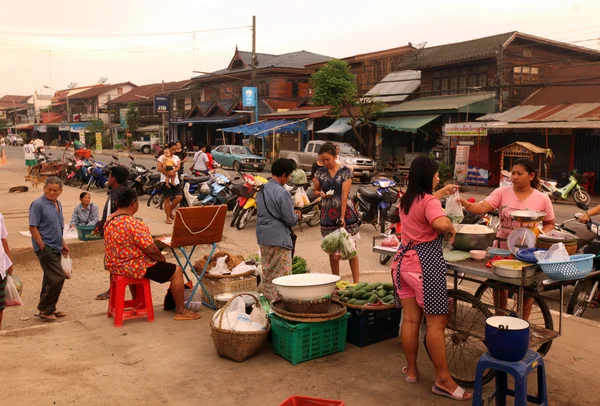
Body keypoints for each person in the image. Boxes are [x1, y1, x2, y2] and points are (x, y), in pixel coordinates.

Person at [391, 155, 471, 401]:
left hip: (402, 264)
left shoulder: (408, 198)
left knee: (411, 321)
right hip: (424, 266)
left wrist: (442, 192)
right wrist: (450, 226)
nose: (438, 177)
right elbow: (438, 221)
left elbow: (426, 203)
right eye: (436, 174)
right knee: (437, 324)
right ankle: (443, 380)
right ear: (429, 176)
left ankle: (412, 371)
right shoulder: (429, 202)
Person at [460, 158, 556, 318]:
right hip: (502, 246)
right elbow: (483, 207)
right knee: (500, 286)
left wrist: (541, 234)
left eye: (520, 173)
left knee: (526, 290)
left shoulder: (542, 198)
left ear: (531, 176)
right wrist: (467, 204)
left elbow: (550, 223)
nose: (514, 177)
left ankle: (522, 323)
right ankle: (500, 319)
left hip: (528, 251)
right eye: (513, 173)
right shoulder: (501, 192)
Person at [103, 188, 201, 321]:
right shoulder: (134, 224)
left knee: (141, 266)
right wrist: (162, 260)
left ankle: (138, 304)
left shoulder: (110, 219)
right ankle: (181, 310)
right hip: (134, 266)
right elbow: (152, 250)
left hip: (115, 266)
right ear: (134, 203)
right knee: (177, 271)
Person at [312, 143, 361, 282]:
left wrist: (342, 217)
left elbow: (344, 196)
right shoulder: (320, 173)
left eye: (328, 159)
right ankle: (336, 281)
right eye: (323, 160)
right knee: (332, 248)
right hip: (327, 215)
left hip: (346, 214)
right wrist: (320, 193)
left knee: (351, 248)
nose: (325, 162)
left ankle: (356, 282)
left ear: (335, 156)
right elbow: (315, 190)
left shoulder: (345, 172)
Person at [256, 159, 300, 301]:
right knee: (282, 278)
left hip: (264, 237)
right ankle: (280, 308)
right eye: (288, 176)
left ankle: (270, 305)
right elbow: (290, 219)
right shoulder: (283, 193)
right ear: (283, 175)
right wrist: (297, 216)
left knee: (268, 274)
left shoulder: (261, 189)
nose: (288, 179)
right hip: (279, 238)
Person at [29, 176, 69, 322]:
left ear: (60, 191)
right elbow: (33, 227)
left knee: (49, 278)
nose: (52, 193)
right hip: (46, 247)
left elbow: (58, 226)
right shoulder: (38, 204)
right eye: (49, 190)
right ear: (44, 188)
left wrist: (63, 242)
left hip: (57, 246)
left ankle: (46, 308)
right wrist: (42, 246)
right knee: (58, 277)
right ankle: (46, 310)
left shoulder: (57, 204)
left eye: (55, 190)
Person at [95, 166, 129, 300]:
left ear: (113, 178)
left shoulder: (117, 195)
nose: (108, 178)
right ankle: (113, 288)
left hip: (116, 234)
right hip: (114, 232)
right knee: (114, 263)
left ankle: (113, 290)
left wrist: (106, 228)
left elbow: (113, 215)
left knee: (114, 263)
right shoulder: (117, 192)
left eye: (109, 176)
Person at [157, 144, 182, 224]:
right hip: (165, 180)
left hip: (175, 180)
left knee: (179, 197)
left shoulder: (176, 157)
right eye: (172, 149)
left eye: (175, 150)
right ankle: (168, 217)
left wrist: (173, 172)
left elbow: (178, 167)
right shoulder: (162, 157)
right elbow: (160, 168)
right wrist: (168, 174)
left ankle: (170, 210)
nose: (173, 151)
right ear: (168, 149)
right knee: (167, 198)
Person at [0, 211, 14, 330]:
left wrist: (9, 262)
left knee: (0, 303)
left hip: (0, 267)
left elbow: (3, 239)